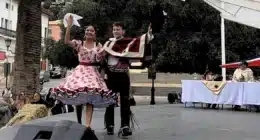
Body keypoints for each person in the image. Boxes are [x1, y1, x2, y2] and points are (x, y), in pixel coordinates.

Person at [48, 15, 117, 131]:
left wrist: (104, 52)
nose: (89, 32)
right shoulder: (79, 44)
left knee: (90, 99)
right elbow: (66, 41)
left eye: (92, 30)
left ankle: (88, 125)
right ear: (85, 33)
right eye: (87, 30)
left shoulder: (98, 45)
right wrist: (69, 26)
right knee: (78, 96)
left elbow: (101, 59)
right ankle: (80, 123)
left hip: (93, 73)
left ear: (94, 33)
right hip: (80, 72)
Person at [103, 22, 153, 137]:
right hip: (111, 75)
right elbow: (102, 58)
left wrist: (149, 33)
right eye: (114, 29)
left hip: (123, 75)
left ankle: (125, 126)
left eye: (118, 29)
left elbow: (141, 41)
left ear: (123, 31)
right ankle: (110, 125)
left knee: (125, 101)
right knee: (110, 101)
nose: (116, 31)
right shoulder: (108, 43)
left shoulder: (128, 42)